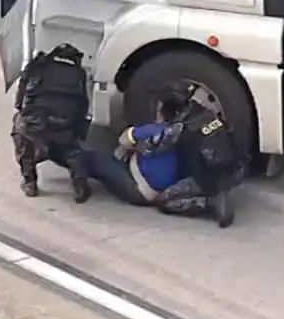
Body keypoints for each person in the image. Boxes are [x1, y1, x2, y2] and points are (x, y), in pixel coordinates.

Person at [11, 43, 92, 203]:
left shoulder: (37, 67)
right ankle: (80, 184)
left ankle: (30, 182)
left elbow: (19, 102)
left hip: (36, 127)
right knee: (73, 149)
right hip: (64, 128)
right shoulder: (79, 74)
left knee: (21, 129)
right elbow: (83, 107)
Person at [154, 88, 246, 228]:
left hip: (205, 179)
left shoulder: (178, 127)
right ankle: (222, 191)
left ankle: (209, 201)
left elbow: (154, 147)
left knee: (163, 201)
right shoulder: (208, 113)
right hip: (235, 170)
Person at [81, 92, 185, 205]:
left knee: (94, 158)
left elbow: (124, 141)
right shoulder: (181, 134)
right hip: (166, 193)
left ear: (160, 111)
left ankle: (81, 183)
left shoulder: (151, 130)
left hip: (142, 191)